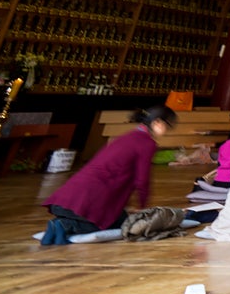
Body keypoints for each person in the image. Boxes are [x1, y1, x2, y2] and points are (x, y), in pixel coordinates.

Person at [41, 105, 175, 245]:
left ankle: (61, 222)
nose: (167, 130)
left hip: (65, 201)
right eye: (168, 125)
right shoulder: (147, 143)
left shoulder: (128, 137)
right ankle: (65, 225)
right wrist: (143, 207)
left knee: (121, 218)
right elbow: (142, 180)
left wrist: (124, 207)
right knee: (118, 226)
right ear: (157, 122)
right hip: (84, 203)